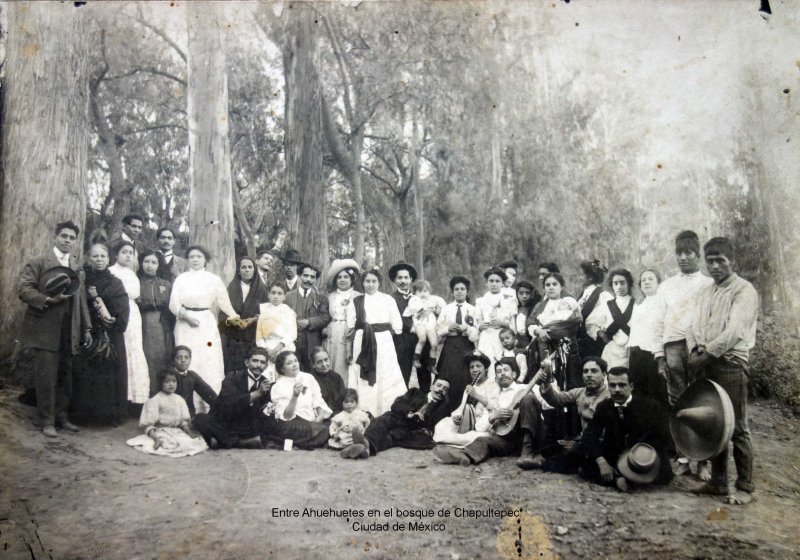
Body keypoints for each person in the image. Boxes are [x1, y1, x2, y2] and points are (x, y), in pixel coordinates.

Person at [686, 237, 758, 500]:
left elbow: (735, 331)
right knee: (714, 424)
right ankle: (717, 482)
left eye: (721, 261)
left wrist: (706, 356)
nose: (715, 266)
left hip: (730, 364)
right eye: (711, 261)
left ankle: (744, 487)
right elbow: (692, 325)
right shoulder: (705, 291)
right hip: (706, 362)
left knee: (737, 426)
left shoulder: (744, 290)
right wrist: (695, 351)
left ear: (732, 262)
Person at [17, 220, 92, 436]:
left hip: (70, 330)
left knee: (65, 376)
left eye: (71, 238)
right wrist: (48, 300)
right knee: (46, 377)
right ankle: (46, 421)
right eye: (64, 236)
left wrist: (86, 327)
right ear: (55, 237)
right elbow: (23, 290)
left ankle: (62, 417)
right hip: (45, 329)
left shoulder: (76, 266)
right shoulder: (39, 262)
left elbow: (81, 301)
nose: (67, 241)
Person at [653, 230, 714, 479]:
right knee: (677, 402)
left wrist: (707, 349)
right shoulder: (666, 286)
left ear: (697, 255)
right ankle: (682, 457)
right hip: (672, 347)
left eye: (689, 253)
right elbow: (658, 322)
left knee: (700, 401)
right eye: (679, 253)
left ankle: (703, 461)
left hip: (699, 348)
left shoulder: (709, 284)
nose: (684, 258)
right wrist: (659, 356)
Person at [433, 358, 544, 469]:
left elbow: (547, 404)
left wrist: (545, 386)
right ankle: (464, 456)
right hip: (508, 441)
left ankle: (527, 452)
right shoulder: (496, 398)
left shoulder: (526, 388)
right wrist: (492, 417)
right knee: (482, 440)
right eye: (499, 371)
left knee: (527, 399)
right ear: (496, 378)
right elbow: (479, 427)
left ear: (514, 374)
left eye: (506, 370)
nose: (503, 374)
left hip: (530, 436)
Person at [169, 245, 241, 414]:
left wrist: (235, 317)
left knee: (208, 361)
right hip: (185, 324)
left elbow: (224, 302)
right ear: (188, 260)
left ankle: (210, 406)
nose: (195, 259)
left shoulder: (213, 279)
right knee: (187, 360)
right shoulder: (181, 279)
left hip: (206, 324)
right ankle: (186, 407)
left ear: (205, 260)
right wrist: (187, 317)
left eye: (199, 257)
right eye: (192, 256)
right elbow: (173, 305)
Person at [575, 367, 673, 491]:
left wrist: (642, 457)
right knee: (585, 464)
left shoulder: (649, 406)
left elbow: (664, 439)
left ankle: (621, 478)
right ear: (608, 386)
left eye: (622, 385)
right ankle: (617, 479)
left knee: (663, 474)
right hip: (615, 457)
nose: (617, 390)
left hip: (643, 458)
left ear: (631, 386)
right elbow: (589, 436)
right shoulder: (604, 407)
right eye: (613, 385)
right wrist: (601, 461)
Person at [71, 243, 130, 426]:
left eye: (102, 257)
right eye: (95, 256)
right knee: (85, 372)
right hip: (87, 330)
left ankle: (107, 416)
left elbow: (122, 305)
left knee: (108, 373)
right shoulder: (83, 279)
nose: (99, 260)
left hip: (109, 334)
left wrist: (116, 319)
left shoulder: (115, 282)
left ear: (108, 259)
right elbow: (77, 303)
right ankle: (83, 415)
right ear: (89, 258)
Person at [528, 272, 583, 439]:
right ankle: (554, 431)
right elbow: (530, 323)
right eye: (547, 285)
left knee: (569, 384)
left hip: (567, 350)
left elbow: (575, 322)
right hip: (546, 350)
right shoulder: (539, 306)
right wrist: (538, 330)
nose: (551, 287)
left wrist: (553, 331)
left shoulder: (568, 303)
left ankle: (572, 430)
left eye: (554, 284)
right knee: (551, 382)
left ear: (561, 287)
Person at [340, 378, 451, 459]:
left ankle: (365, 448)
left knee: (392, 437)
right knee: (382, 421)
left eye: (445, 389)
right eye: (439, 385)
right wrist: (409, 413)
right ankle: (366, 445)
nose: (441, 390)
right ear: (432, 386)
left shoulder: (441, 409)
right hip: (399, 417)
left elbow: (435, 427)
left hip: (411, 429)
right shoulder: (415, 393)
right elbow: (397, 404)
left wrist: (443, 404)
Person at [348, 269, 408, 416]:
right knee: (363, 371)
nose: (370, 284)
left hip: (383, 340)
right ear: (362, 283)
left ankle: (386, 410)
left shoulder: (387, 299)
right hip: (363, 340)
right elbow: (351, 323)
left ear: (379, 282)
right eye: (367, 281)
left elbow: (397, 326)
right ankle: (365, 409)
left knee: (384, 372)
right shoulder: (356, 301)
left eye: (374, 281)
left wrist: (386, 333)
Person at [193, 347, 278, 449]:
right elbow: (231, 404)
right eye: (255, 361)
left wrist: (268, 410)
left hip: (245, 426)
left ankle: (222, 440)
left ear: (266, 366)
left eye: (262, 363)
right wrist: (257, 393)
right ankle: (239, 443)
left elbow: (261, 412)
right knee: (200, 419)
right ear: (247, 363)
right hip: (226, 421)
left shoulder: (266, 383)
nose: (258, 365)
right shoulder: (232, 377)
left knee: (269, 423)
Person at [537, 357, 611, 474]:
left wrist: (580, 444)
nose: (589, 375)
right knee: (548, 448)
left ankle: (541, 464)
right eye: (585, 371)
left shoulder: (610, 397)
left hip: (600, 446)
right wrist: (546, 382)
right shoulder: (580, 392)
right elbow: (558, 399)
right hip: (582, 442)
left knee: (574, 453)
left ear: (604, 374)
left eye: (594, 371)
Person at [126, 370, 208, 457]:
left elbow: (183, 421)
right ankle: (158, 441)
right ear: (160, 383)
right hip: (160, 431)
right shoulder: (155, 400)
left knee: (192, 442)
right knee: (168, 444)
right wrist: (156, 438)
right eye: (167, 381)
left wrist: (189, 432)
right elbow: (148, 425)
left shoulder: (180, 399)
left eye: (174, 381)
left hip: (176, 431)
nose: (171, 384)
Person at [109, 242, 150, 408]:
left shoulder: (132, 274)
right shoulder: (110, 272)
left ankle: (135, 398)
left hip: (132, 313)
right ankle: (119, 397)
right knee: (121, 349)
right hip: (117, 311)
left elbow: (134, 295)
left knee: (134, 350)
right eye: (123, 252)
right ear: (116, 254)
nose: (127, 255)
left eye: (130, 253)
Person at [433, 350, 499, 448]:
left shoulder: (494, 385)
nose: (474, 370)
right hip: (467, 423)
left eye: (478, 366)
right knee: (441, 425)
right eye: (471, 367)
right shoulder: (470, 387)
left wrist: (476, 395)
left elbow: (494, 407)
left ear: (486, 369)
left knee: (477, 435)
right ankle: (459, 441)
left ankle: (455, 441)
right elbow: (462, 408)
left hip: (484, 424)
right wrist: (456, 416)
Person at [269, 350, 332, 449]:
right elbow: (286, 415)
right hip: (293, 423)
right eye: (289, 363)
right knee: (325, 430)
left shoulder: (308, 377)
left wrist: (320, 416)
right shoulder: (278, 386)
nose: (294, 365)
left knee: (332, 424)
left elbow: (317, 399)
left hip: (312, 420)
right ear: (282, 369)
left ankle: (292, 443)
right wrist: (295, 396)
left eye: (295, 361)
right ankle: (322, 441)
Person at [435, 276, 479, 411]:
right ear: (452, 292)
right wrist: (447, 329)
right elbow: (438, 329)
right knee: (449, 375)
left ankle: (464, 409)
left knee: (465, 376)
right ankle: (446, 409)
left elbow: (476, 331)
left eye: (462, 289)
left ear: (467, 291)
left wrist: (467, 329)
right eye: (456, 289)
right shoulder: (447, 309)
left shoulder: (473, 309)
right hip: (450, 346)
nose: (459, 292)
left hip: (466, 345)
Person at [627, 269, 667, 406]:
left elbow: (661, 328)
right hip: (636, 352)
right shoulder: (638, 304)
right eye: (643, 280)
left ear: (658, 283)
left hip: (653, 353)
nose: (646, 282)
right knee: (637, 392)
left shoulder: (663, 301)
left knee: (655, 392)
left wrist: (660, 356)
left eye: (650, 279)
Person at [220, 256, 268, 372]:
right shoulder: (231, 288)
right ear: (239, 271)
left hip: (252, 338)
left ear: (254, 270)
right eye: (243, 267)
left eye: (250, 267)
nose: (247, 270)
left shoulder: (261, 290)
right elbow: (222, 314)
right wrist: (231, 320)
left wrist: (254, 319)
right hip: (232, 338)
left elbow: (267, 314)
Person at [389, 260, 431, 391]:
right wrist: (413, 329)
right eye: (399, 278)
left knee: (424, 373)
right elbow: (396, 319)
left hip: (421, 339)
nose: (403, 281)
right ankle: (402, 403)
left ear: (411, 279)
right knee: (403, 373)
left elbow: (425, 313)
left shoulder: (417, 297)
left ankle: (425, 400)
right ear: (395, 280)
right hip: (402, 340)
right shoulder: (391, 299)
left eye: (406, 277)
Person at [137, 249, 173, 396]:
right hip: (143, 322)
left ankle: (162, 392)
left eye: (153, 262)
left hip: (162, 323)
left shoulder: (165, 284)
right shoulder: (137, 282)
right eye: (146, 262)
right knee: (146, 357)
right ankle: (147, 394)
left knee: (162, 356)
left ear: (159, 265)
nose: (149, 265)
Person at [285, 263, 331, 372]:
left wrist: (308, 322)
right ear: (300, 276)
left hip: (313, 343)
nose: (308, 280)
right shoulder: (288, 296)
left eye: (312, 277)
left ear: (315, 280)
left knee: (312, 373)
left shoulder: (321, 299)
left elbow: (325, 317)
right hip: (292, 342)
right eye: (305, 276)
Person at [475, 266, 518, 373]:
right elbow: (477, 322)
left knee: (500, 365)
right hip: (486, 338)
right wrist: (480, 327)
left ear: (502, 283)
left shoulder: (509, 300)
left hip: (501, 338)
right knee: (485, 363)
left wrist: (504, 323)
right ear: (486, 282)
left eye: (497, 281)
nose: (494, 283)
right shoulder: (481, 301)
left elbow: (514, 327)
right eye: (491, 281)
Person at [324, 258, 361, 382]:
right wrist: (324, 327)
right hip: (332, 331)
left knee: (347, 362)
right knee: (331, 360)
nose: (342, 280)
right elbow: (326, 316)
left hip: (350, 332)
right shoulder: (331, 296)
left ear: (352, 279)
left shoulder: (358, 296)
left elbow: (361, 318)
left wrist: (355, 329)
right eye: (339, 277)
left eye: (346, 277)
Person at [404, 279, 446, 374]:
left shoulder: (433, 299)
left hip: (431, 323)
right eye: (419, 291)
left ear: (429, 292)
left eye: (425, 291)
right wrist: (427, 308)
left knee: (434, 344)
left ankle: (431, 364)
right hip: (420, 322)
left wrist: (433, 309)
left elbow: (441, 308)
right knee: (422, 339)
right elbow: (415, 311)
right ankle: (416, 358)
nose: (423, 294)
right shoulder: (414, 299)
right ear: (415, 292)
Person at [255, 283, 297, 378]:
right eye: (273, 293)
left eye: (279, 293)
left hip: (283, 347)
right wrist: (267, 351)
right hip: (267, 350)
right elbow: (259, 335)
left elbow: (292, 333)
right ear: (268, 295)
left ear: (284, 297)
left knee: (283, 376)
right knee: (267, 377)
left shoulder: (289, 312)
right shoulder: (264, 310)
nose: (276, 296)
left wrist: (275, 351)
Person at [597, 268, 635, 369]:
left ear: (628, 284)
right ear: (612, 286)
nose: (619, 287)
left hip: (631, 350)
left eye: (622, 283)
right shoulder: (607, 305)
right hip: (612, 351)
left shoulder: (636, 304)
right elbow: (594, 325)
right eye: (615, 283)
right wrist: (606, 339)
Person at [577, 259, 613, 358]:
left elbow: (605, 319)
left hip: (593, 345)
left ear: (590, 277)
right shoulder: (584, 293)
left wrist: (599, 332)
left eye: (581, 275)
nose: (579, 278)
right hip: (581, 345)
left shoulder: (603, 296)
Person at [170, 345, 217, 418]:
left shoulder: (192, 375)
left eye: (186, 357)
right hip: (171, 415)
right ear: (173, 361)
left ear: (190, 359)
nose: (183, 360)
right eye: (179, 357)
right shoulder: (168, 375)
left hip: (189, 415)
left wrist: (218, 405)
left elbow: (208, 393)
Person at [310, 346, 347, 415]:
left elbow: (343, 399)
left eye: (326, 360)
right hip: (321, 416)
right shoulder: (310, 379)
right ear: (313, 365)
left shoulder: (336, 377)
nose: (324, 364)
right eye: (319, 362)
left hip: (339, 414)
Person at [513, 280, 541, 350]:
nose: (524, 296)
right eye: (521, 293)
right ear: (517, 294)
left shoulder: (534, 309)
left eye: (527, 293)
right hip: (517, 342)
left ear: (531, 294)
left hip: (529, 342)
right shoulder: (516, 308)